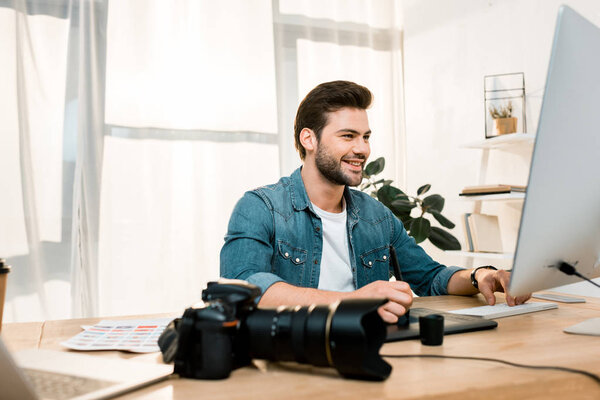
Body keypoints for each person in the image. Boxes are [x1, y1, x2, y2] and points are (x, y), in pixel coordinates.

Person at [220, 80, 530, 323]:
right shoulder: (259, 208)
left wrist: (481, 277)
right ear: (308, 139)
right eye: (348, 136)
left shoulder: (376, 216)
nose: (363, 149)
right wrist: (356, 301)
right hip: (293, 355)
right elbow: (245, 290)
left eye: (366, 137)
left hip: (369, 348)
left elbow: (430, 276)